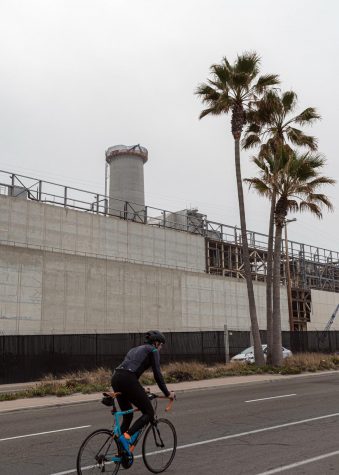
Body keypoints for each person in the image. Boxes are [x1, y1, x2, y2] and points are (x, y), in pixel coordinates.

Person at [111, 330, 175, 452]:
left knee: (128, 415)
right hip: (128, 379)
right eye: (161, 344)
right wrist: (168, 393)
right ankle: (126, 437)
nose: (161, 348)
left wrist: (140, 389)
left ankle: (122, 452)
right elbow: (157, 375)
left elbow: (131, 370)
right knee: (149, 412)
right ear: (156, 343)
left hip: (116, 377)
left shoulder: (134, 349)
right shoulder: (153, 350)